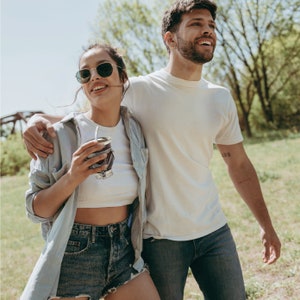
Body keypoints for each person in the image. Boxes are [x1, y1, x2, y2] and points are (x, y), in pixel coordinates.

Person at [23, 0, 281, 299]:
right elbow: (92, 112)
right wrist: (38, 119)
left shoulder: (220, 99)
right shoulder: (139, 90)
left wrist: (266, 225)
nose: (207, 30)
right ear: (170, 38)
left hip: (214, 232)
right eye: (196, 24)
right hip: (159, 240)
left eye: (211, 25)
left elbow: (238, 164)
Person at [21, 44, 160, 300]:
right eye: (85, 74)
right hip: (75, 253)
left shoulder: (136, 130)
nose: (94, 76)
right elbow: (35, 210)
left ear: (122, 76)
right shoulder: (58, 136)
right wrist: (73, 176)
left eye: (103, 68)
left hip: (123, 250)